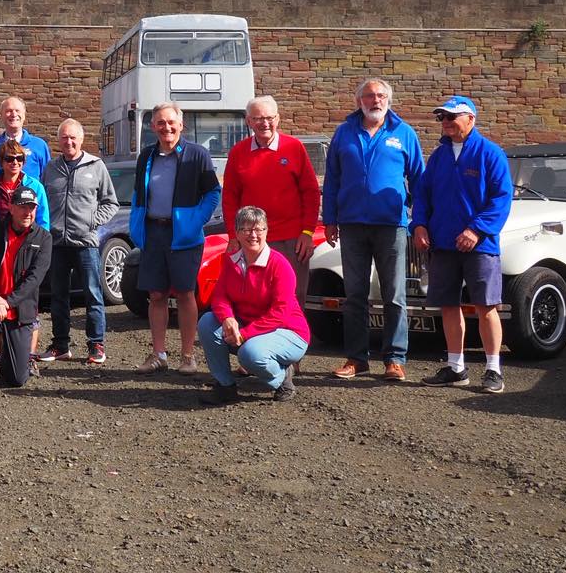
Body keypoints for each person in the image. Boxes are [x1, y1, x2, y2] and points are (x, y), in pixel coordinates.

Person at [321, 78, 424, 382]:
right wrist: (330, 219)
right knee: (354, 295)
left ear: (388, 100)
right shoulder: (344, 133)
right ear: (359, 101)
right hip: (351, 226)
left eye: (380, 96)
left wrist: (420, 220)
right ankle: (356, 358)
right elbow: (333, 180)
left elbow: (419, 179)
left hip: (391, 226)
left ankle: (394, 359)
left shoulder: (404, 133)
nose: (375, 100)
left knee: (394, 295)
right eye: (369, 96)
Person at [412, 96, 513, 393]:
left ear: (471, 119)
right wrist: (419, 225)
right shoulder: (439, 157)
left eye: (451, 117)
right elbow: (423, 195)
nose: (445, 122)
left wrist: (476, 230)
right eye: (442, 117)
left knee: (485, 306)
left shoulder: (490, 154)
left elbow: (501, 198)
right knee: (447, 306)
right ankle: (456, 367)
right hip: (442, 244)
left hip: (480, 246)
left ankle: (493, 369)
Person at [130, 103, 221, 376]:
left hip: (185, 235)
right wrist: (137, 225)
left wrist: (195, 221)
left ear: (181, 125)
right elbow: (138, 195)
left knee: (185, 293)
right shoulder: (146, 156)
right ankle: (158, 354)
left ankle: (188, 356)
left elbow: (213, 193)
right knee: (156, 294)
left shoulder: (197, 155)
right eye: (160, 123)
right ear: (152, 126)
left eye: (171, 122)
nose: (166, 127)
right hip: (153, 233)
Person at [197, 206, 311, 405]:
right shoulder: (231, 262)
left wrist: (244, 334)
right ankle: (225, 386)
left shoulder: (279, 265)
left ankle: (282, 379)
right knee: (207, 323)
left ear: (267, 231)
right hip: (249, 327)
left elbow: (280, 313)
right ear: (237, 234)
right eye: (247, 229)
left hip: (288, 331)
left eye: (259, 229)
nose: (254, 235)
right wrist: (227, 318)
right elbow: (220, 297)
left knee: (250, 354)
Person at [222, 96, 321, 306]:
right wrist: (233, 235)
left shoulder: (294, 148)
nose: (264, 123)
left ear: (277, 119)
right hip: (253, 238)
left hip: (293, 239)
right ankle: (260, 337)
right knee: (257, 295)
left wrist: (307, 232)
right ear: (248, 121)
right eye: (257, 118)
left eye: (269, 118)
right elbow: (230, 198)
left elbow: (310, 192)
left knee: (294, 295)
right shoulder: (238, 153)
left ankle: (294, 338)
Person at [40, 118, 119, 365]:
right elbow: (42, 203)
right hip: (57, 244)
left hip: (86, 243)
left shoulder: (96, 166)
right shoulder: (51, 168)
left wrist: (93, 221)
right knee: (58, 297)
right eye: (64, 137)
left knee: (93, 296)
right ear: (59, 141)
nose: (69, 142)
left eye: (73, 137)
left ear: (82, 139)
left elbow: (111, 202)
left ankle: (96, 345)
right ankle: (61, 345)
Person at [0, 138, 51, 372]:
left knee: (29, 303)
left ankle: (29, 356)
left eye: (19, 159)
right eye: (9, 159)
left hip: (28, 246)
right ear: (1, 161)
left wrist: (40, 247)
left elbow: (43, 218)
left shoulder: (34, 185)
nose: (14, 163)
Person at [0, 96, 52, 182]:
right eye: (8, 111)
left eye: (17, 110)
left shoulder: (40, 146)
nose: (13, 114)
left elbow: (48, 182)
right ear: (1, 116)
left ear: (24, 115)